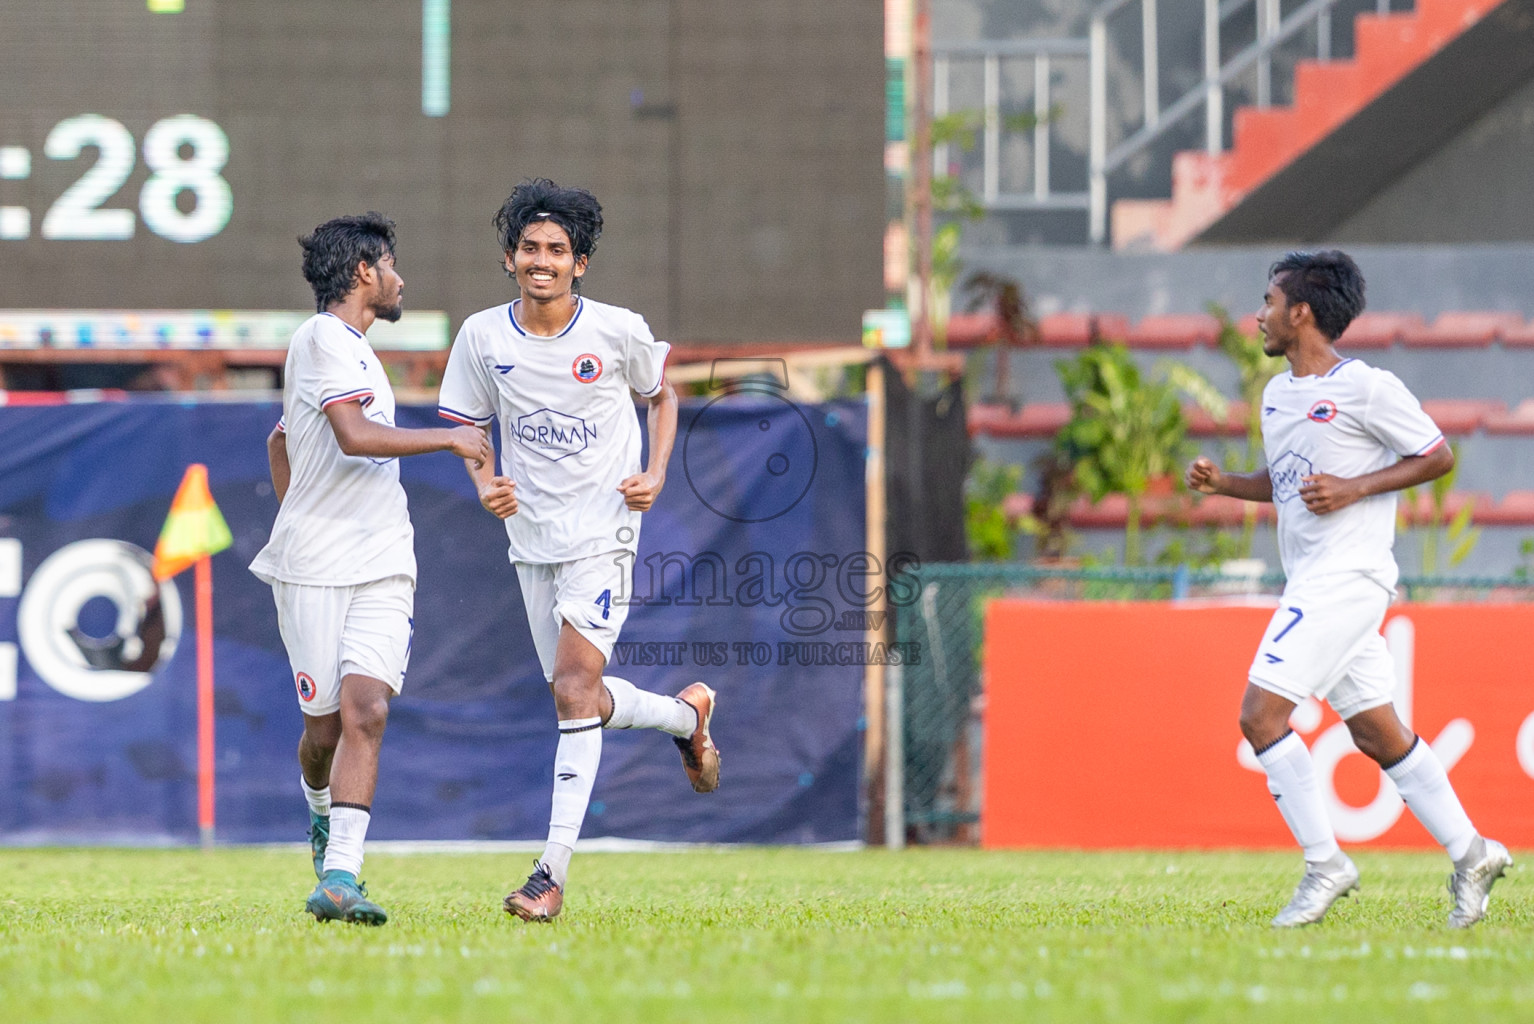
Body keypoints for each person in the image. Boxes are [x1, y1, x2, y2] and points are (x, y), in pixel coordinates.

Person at [1187, 250, 1510, 928]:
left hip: (1349, 578)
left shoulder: (1366, 387)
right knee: (1375, 731)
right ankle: (1472, 851)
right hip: (1315, 578)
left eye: (1269, 302)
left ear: (1300, 312)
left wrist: (1356, 487)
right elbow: (1285, 486)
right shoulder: (1278, 395)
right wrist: (1225, 486)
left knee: (1259, 717)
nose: (1259, 315)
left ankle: (1324, 863)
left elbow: (1437, 454)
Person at [437, 178, 720, 922]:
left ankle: (549, 872)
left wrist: (655, 472)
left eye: (557, 251)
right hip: (531, 540)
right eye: (529, 248)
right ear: (509, 258)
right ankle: (686, 720)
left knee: (571, 690)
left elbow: (662, 395)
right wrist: (484, 481)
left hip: (604, 533)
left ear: (580, 263)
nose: (542, 261)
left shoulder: (617, 330)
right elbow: (467, 426)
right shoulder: (481, 337)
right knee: (582, 698)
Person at [251, 213, 493, 925]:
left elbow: (280, 439)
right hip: (312, 567)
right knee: (322, 734)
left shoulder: (354, 351)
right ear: (363, 271)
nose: (400, 279)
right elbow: (351, 438)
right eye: (391, 265)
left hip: (384, 557)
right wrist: (449, 440)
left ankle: (341, 878)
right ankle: (320, 814)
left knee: (369, 709)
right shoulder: (322, 339)